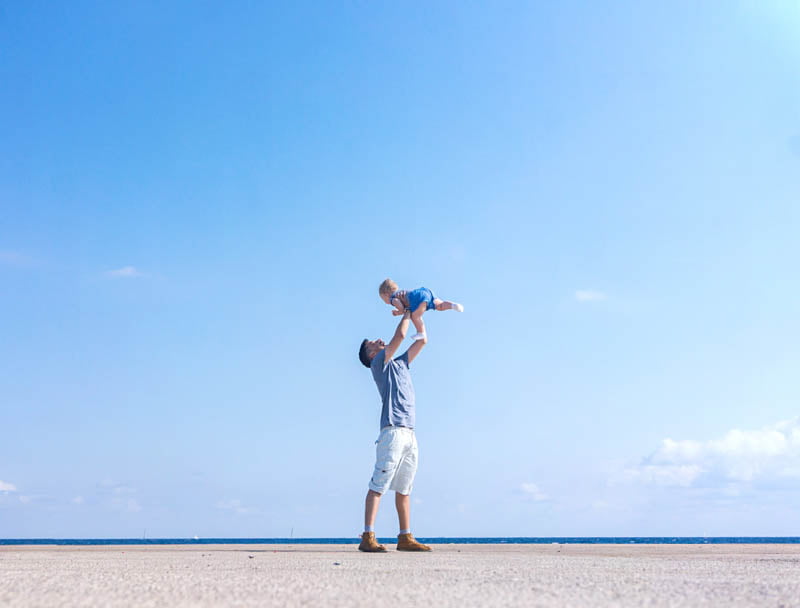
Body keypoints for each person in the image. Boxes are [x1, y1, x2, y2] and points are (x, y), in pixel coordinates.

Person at [357, 309, 432, 552]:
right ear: (370, 354)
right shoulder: (379, 363)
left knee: (405, 488)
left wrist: (419, 314)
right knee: (378, 484)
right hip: (392, 432)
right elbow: (400, 336)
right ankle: (367, 536)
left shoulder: (400, 364)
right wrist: (408, 311)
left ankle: (404, 537)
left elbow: (422, 340)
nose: (379, 341)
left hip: (410, 432)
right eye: (373, 344)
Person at [378, 278, 463, 341]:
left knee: (415, 316)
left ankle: (421, 332)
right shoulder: (401, 292)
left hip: (417, 298)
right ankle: (453, 305)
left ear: (386, 295)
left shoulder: (392, 298)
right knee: (440, 305)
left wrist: (399, 311)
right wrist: (400, 312)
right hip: (425, 292)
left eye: (383, 299)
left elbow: (399, 304)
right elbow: (404, 306)